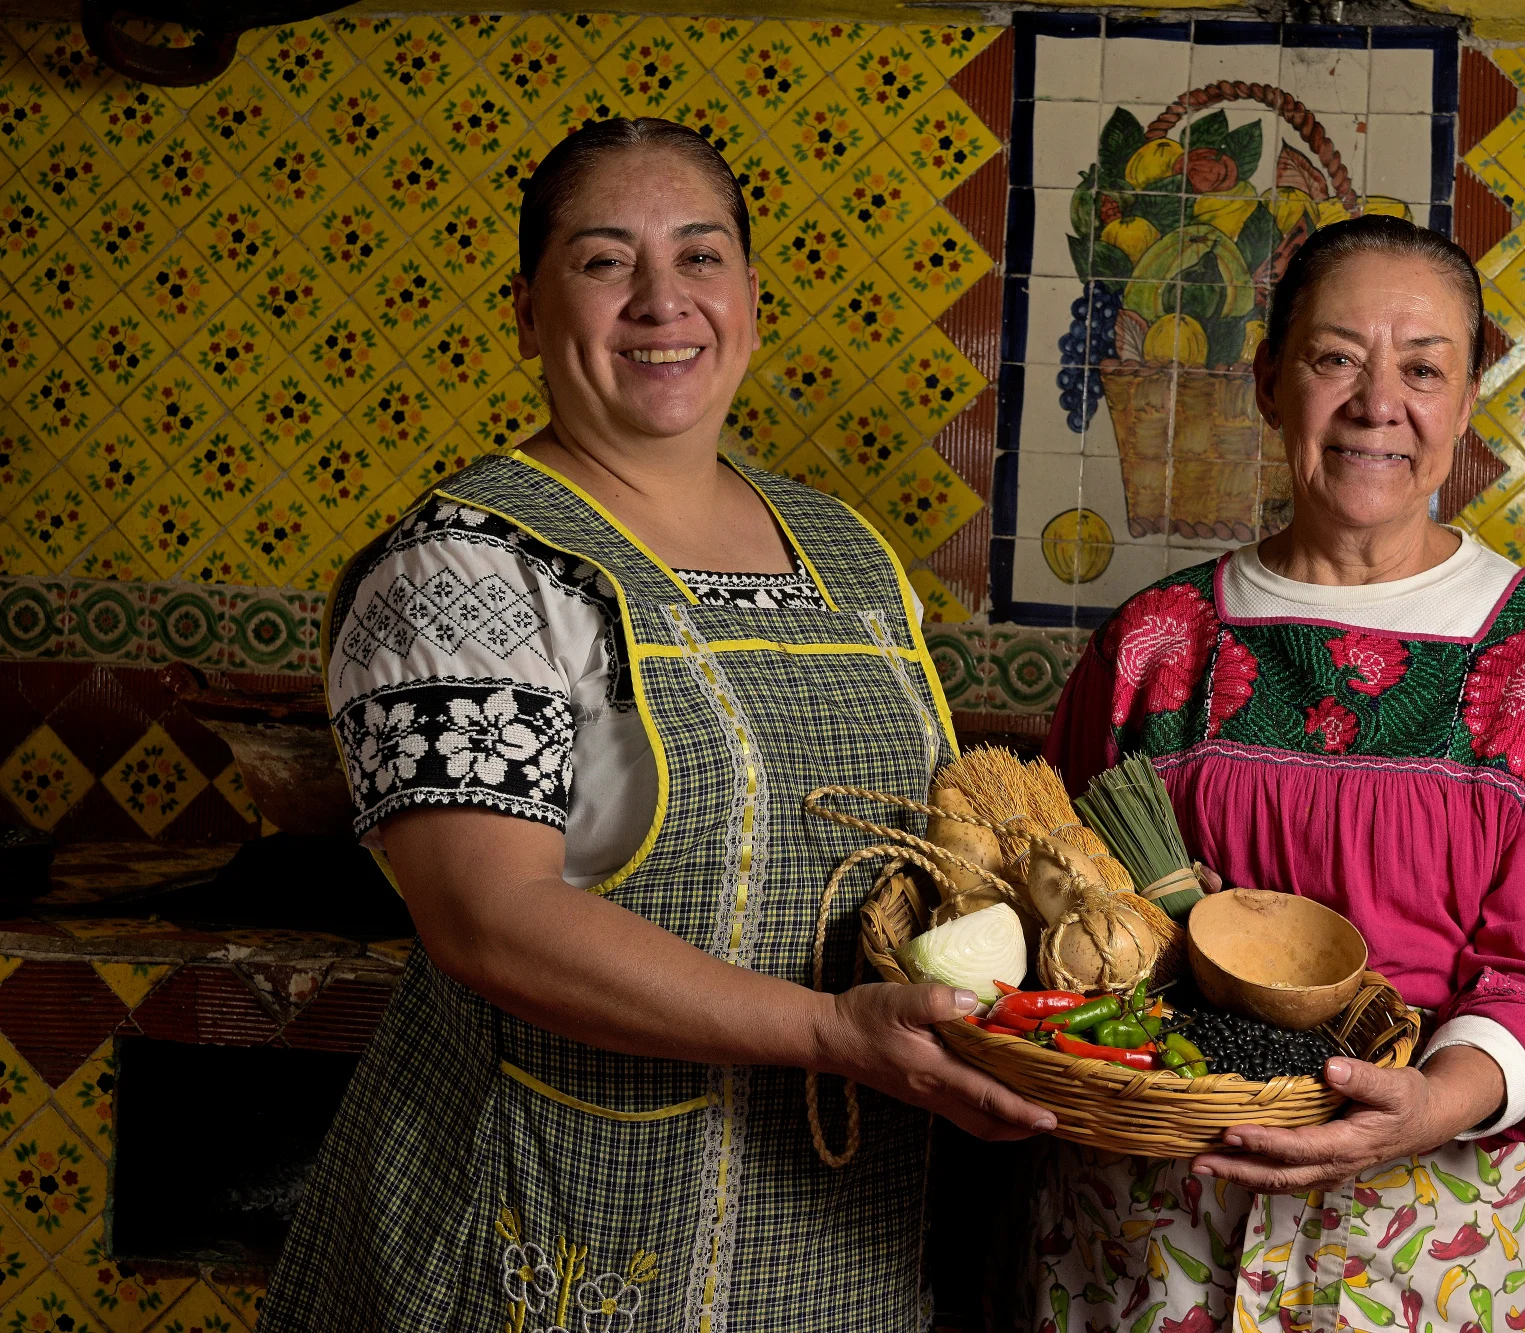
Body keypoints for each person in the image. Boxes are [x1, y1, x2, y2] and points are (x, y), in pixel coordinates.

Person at [265, 118, 1052, 1333]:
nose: (659, 300)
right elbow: (490, 919)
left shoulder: (848, 553)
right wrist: (828, 1034)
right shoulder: (468, 569)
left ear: (747, 295)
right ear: (529, 311)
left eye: (699, 256)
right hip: (562, 1221)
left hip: (841, 1238)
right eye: (601, 261)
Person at [1034, 215, 1525, 1333]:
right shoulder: (1156, 639)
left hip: (1422, 1221)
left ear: (1463, 405)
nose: (1377, 402)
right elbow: (1058, 910)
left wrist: (1424, 1104)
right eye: (1332, 358)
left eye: (1422, 368)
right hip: (1154, 1215)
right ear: (1268, 383)